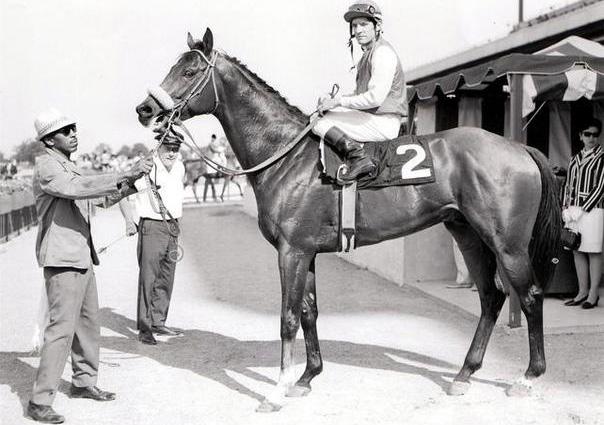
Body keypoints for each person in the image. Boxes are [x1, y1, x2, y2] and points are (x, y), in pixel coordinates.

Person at [28, 108, 153, 424]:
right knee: (61, 330)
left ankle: (84, 383)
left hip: (81, 257)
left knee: (87, 326)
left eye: (73, 128)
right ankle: (39, 401)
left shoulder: (70, 166)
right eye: (65, 130)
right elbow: (77, 189)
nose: (73, 133)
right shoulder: (47, 166)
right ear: (49, 140)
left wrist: (133, 181)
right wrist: (124, 173)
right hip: (61, 259)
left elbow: (99, 198)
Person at [313, 0, 407, 183]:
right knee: (324, 113)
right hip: (375, 118)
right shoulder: (369, 54)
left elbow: (374, 99)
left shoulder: (383, 53)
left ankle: (359, 158)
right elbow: (359, 96)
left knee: (318, 122)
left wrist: (338, 101)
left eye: (364, 24)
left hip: (384, 122)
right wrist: (333, 100)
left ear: (377, 26)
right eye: (355, 26)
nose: (358, 30)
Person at [119, 129, 186, 345]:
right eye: (168, 148)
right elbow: (122, 192)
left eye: (176, 148)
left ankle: (158, 321)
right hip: (152, 226)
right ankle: (145, 327)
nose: (172, 153)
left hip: (172, 226)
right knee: (149, 278)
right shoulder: (147, 167)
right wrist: (129, 221)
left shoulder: (180, 167)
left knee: (167, 277)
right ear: (159, 147)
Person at [562, 117, 604, 309]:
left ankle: (593, 294)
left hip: (593, 210)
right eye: (587, 134)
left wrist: (582, 209)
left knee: (593, 251)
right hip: (573, 210)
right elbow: (568, 184)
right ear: (580, 136)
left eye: (595, 134)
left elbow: (601, 187)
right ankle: (582, 292)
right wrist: (564, 208)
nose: (591, 138)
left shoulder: (601, 157)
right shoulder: (574, 158)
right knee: (576, 249)